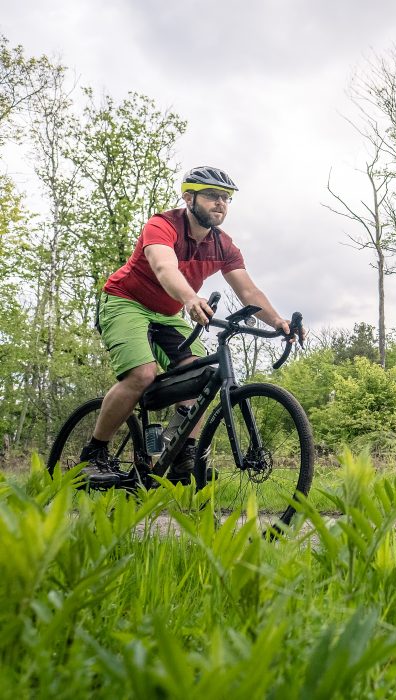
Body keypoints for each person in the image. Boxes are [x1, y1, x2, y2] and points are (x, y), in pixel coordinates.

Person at [81, 166, 302, 487]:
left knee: (201, 375)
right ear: (188, 197)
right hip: (124, 301)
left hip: (168, 313)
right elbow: (163, 266)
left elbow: (249, 292)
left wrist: (279, 322)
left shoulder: (224, 246)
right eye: (212, 196)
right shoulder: (163, 225)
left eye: (226, 198)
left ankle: (183, 452)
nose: (221, 203)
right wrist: (189, 297)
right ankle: (95, 453)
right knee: (142, 374)